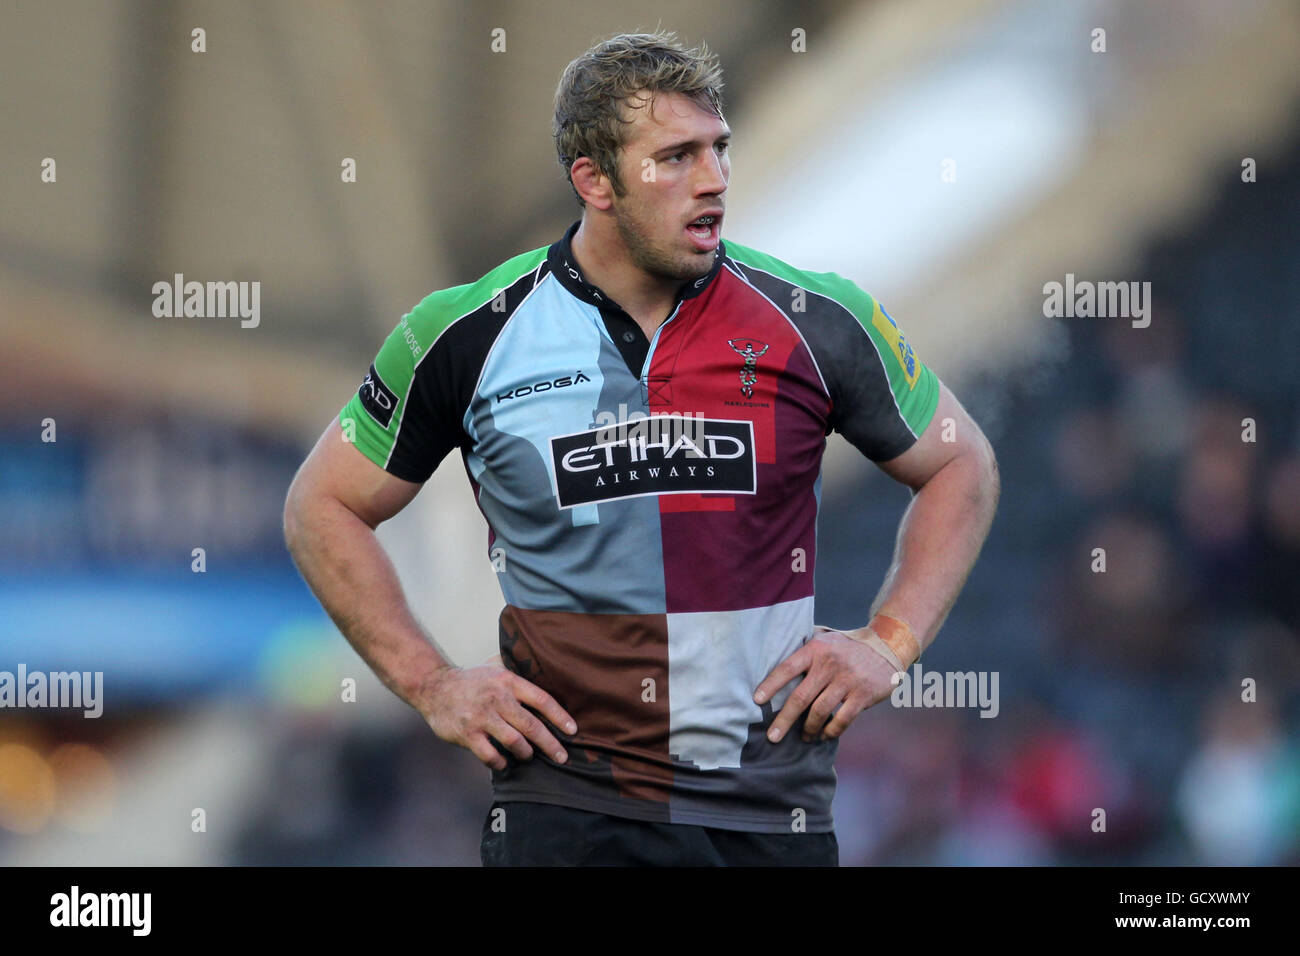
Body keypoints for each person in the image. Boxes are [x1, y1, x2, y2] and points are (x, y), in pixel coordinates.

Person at [283, 30, 1000, 866]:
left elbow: (961, 464)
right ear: (594, 180)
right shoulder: (465, 333)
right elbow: (321, 505)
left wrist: (889, 642)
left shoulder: (817, 321)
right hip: (567, 813)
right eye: (676, 157)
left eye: (719, 150)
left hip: (770, 817)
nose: (714, 180)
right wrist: (432, 683)